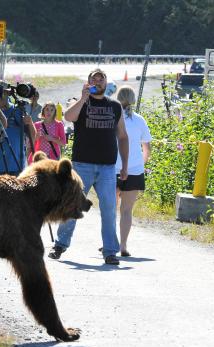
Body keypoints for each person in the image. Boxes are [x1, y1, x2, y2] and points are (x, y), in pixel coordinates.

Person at [48, 68, 129, 265]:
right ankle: (60, 244)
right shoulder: (80, 102)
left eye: (102, 79)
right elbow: (68, 117)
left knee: (109, 209)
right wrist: (84, 98)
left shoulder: (115, 106)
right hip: (82, 165)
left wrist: (125, 165)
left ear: (106, 83)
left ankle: (110, 251)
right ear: (89, 82)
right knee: (72, 204)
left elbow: (122, 136)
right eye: (95, 79)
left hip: (107, 168)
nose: (98, 82)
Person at [114, 85, 152, 257]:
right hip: (134, 169)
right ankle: (123, 245)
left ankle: (109, 242)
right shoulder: (140, 120)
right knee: (127, 210)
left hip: (112, 167)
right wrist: (140, 165)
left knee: (110, 208)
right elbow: (147, 148)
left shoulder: (113, 118)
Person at [0, 81, 35, 176]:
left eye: (0, 93)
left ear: (8, 93)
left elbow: (33, 137)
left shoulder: (18, 110)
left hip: (16, 167)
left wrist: (30, 123)